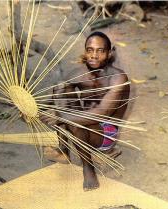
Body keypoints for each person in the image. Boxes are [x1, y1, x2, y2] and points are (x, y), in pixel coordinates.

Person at [41, 31, 130, 191]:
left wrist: (61, 117)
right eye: (90, 50)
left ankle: (88, 169)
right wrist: (37, 110)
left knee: (76, 121)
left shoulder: (118, 78)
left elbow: (103, 111)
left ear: (109, 54)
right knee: (60, 88)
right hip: (80, 121)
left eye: (100, 51)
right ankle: (64, 150)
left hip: (104, 133)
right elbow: (59, 95)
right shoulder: (81, 73)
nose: (94, 55)